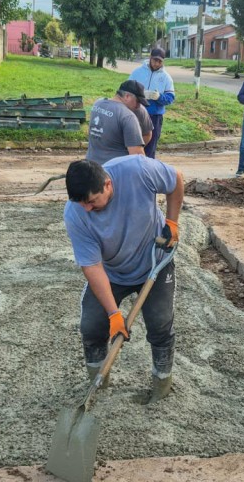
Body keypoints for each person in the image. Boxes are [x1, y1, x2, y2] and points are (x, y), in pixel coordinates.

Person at [63, 156, 184, 403]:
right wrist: (113, 314)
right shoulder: (76, 213)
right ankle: (98, 385)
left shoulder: (138, 170)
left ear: (107, 185)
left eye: (91, 201)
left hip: (155, 262)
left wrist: (172, 221)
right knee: (92, 325)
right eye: (81, 203)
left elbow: (176, 180)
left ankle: (162, 384)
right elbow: (93, 266)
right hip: (112, 272)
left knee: (160, 324)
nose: (87, 208)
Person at [86, 80, 153, 165]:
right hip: (114, 172)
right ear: (127, 96)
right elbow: (137, 157)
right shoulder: (128, 116)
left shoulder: (98, 104)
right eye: (138, 101)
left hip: (91, 165)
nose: (139, 106)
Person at [129, 47, 176, 158]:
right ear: (150, 58)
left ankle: (148, 171)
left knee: (150, 147)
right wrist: (138, 94)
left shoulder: (166, 77)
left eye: (160, 61)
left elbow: (170, 98)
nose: (157, 63)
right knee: (133, 144)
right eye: (155, 60)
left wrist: (159, 96)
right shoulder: (137, 72)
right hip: (136, 113)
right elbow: (126, 89)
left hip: (154, 116)